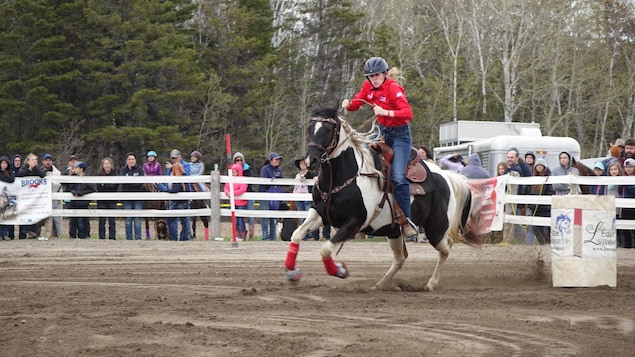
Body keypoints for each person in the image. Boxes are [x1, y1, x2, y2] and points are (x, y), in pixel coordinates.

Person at [341, 56, 417, 240]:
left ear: (384, 73)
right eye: (370, 76)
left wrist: (386, 112)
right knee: (362, 162)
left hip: (400, 136)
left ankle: (407, 221)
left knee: (398, 177)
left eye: (377, 75)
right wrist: (348, 105)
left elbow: (408, 113)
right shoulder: (368, 87)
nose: (374, 78)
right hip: (381, 133)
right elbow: (357, 102)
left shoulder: (393, 88)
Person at [15, 154, 46, 239]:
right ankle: (24, 232)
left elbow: (43, 175)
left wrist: (34, 168)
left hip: (34, 196)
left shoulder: (38, 168)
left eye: (35, 160)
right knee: (24, 212)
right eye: (32, 160)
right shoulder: (24, 168)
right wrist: (29, 169)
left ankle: (32, 232)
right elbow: (19, 174)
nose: (34, 161)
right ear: (28, 161)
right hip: (24, 195)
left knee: (33, 213)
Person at [158, 162, 191, 241]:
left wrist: (161, 186)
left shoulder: (176, 178)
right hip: (184, 201)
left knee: (171, 219)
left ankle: (173, 237)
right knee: (185, 220)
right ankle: (185, 237)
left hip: (176, 201)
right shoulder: (185, 177)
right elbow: (189, 188)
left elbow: (173, 190)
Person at [527, 158, 554, 245]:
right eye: (537, 165)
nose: (539, 167)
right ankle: (543, 244)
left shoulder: (548, 179)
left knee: (544, 228)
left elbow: (550, 191)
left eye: (541, 165)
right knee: (535, 228)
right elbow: (527, 190)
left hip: (544, 208)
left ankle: (546, 244)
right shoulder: (532, 179)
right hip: (535, 208)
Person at [259, 152, 283, 241]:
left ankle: (272, 236)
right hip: (265, 194)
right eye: (275, 159)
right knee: (265, 215)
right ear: (270, 160)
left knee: (273, 216)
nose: (277, 161)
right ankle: (265, 236)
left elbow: (281, 181)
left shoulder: (279, 170)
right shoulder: (265, 169)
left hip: (275, 195)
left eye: (278, 159)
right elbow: (264, 182)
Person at [120, 153, 145, 240]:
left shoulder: (140, 170)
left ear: (135, 160)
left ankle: (138, 238)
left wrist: (130, 184)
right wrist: (132, 184)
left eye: (132, 159)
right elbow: (123, 183)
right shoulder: (123, 170)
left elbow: (141, 183)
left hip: (138, 197)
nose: (131, 161)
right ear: (127, 161)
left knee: (137, 218)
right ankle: (129, 238)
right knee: (128, 219)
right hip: (126, 197)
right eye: (129, 159)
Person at [66, 162, 94, 239]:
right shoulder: (73, 178)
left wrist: (81, 193)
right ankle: (72, 235)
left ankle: (85, 235)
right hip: (74, 202)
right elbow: (69, 187)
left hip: (83, 203)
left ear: (81, 169)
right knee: (73, 220)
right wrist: (74, 192)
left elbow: (91, 189)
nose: (74, 169)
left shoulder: (87, 179)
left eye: (76, 168)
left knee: (84, 220)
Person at [39, 153, 62, 238]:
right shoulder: (38, 171)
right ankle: (37, 233)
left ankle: (55, 233)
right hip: (41, 198)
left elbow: (57, 185)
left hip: (54, 197)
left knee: (55, 217)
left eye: (49, 160)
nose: (48, 162)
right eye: (46, 160)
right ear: (43, 162)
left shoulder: (57, 173)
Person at [96, 157, 119, 239]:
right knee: (102, 220)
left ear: (111, 165)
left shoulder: (115, 174)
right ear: (102, 165)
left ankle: (112, 237)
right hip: (102, 200)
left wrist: (105, 185)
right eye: (105, 164)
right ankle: (101, 237)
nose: (107, 165)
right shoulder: (99, 174)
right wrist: (108, 185)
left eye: (108, 163)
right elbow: (99, 187)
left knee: (112, 220)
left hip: (112, 200)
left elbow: (115, 186)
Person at [224, 163, 248, 240]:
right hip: (234, 202)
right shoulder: (230, 179)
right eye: (233, 172)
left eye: (235, 172)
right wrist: (227, 192)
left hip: (241, 202)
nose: (234, 174)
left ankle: (243, 234)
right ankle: (236, 234)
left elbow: (242, 189)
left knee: (241, 219)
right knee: (235, 220)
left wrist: (232, 193)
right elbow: (226, 187)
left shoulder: (242, 180)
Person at [293, 158, 316, 240]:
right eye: (301, 164)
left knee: (308, 216)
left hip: (307, 196)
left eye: (304, 163)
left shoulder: (310, 174)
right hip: (299, 196)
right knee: (302, 217)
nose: (302, 165)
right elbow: (295, 187)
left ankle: (310, 234)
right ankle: (304, 234)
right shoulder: (297, 175)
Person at [620, 158, 635, 249]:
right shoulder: (622, 177)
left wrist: (626, 184)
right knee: (624, 226)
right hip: (623, 204)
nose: (628, 169)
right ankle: (626, 245)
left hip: (633, 205)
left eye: (631, 167)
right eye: (626, 167)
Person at [0, 156, 15, 240]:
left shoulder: (9, 172)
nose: (4, 165)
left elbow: (11, 179)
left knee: (4, 215)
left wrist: (3, 176)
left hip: (5, 196)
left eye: (5, 163)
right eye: (2, 163)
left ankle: (4, 234)